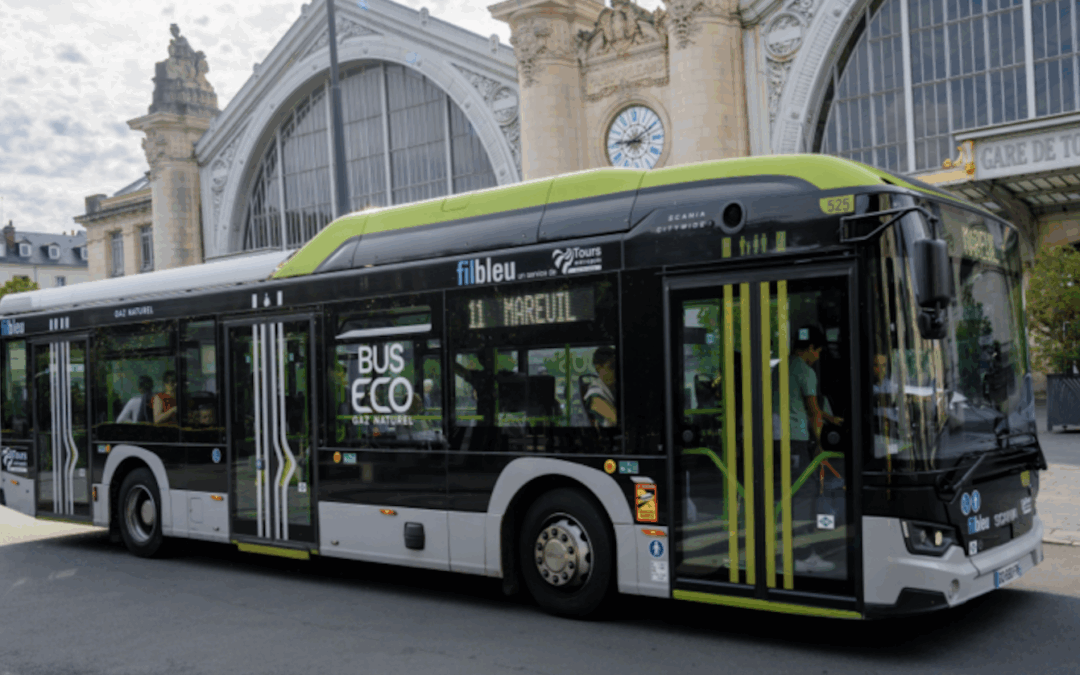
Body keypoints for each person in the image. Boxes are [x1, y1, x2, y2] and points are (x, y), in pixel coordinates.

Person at [773, 326, 843, 574]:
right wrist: (821, 444)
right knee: (804, 493)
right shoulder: (806, 371)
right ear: (811, 349)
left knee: (783, 495)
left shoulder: (780, 368)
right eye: (819, 352)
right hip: (794, 439)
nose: (819, 357)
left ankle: (784, 552)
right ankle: (801, 556)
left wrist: (828, 418)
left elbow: (797, 403)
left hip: (775, 439)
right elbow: (812, 411)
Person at [585, 346, 617, 427]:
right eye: (612, 367)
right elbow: (616, 418)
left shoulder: (613, 389)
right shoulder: (595, 394)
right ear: (598, 367)